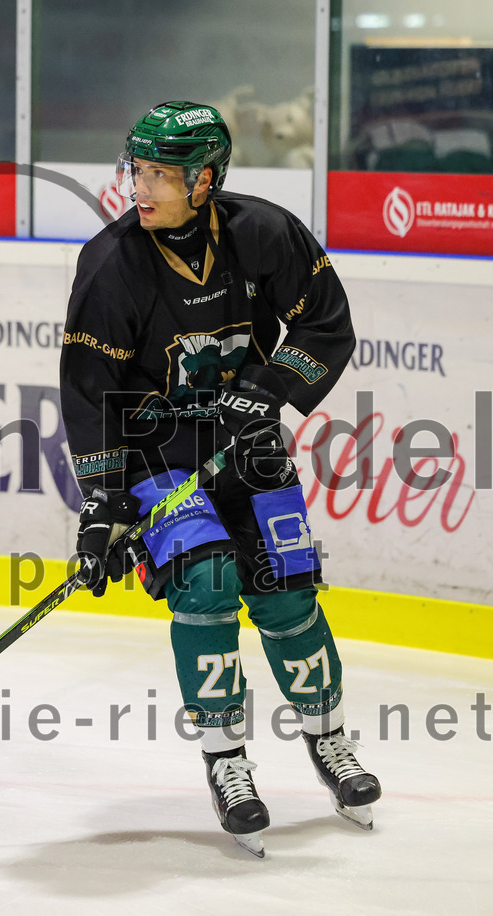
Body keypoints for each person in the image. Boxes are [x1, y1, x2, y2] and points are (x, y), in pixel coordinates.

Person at [60, 100, 381, 857]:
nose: (140, 186)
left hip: (250, 444)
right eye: (135, 168)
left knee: (287, 588)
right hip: (158, 456)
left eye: (161, 173)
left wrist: (266, 390)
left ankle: (329, 741)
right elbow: (89, 395)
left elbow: (324, 322)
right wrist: (101, 509)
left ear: (206, 180)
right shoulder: (111, 266)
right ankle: (228, 762)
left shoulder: (262, 234)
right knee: (206, 585)